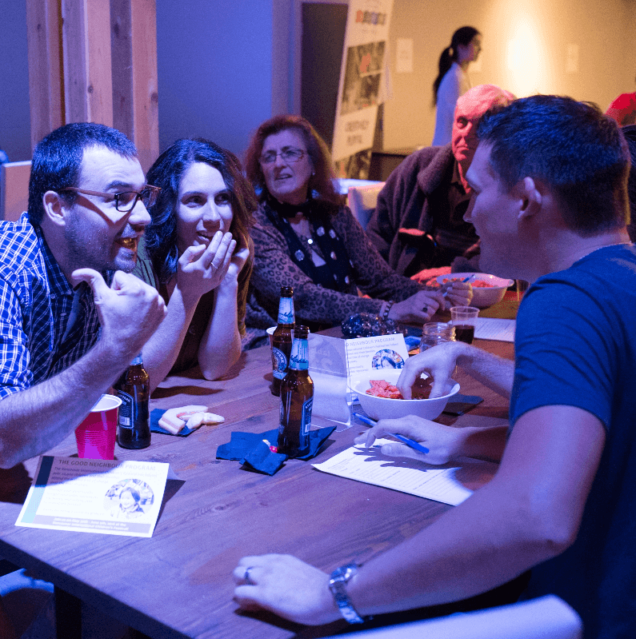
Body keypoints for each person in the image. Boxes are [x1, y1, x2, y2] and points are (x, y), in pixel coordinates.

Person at [233, 96, 634, 639]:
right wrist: (462, 440)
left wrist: (336, 592)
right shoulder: (619, 277)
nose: (468, 213)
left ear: (528, 198)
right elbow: (602, 424)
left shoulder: (564, 301)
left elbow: (534, 516)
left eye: (479, 190)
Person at [0, 121, 166, 638]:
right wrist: (115, 348)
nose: (140, 216)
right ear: (56, 207)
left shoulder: (101, 257)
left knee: (142, 575)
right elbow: (3, 440)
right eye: (119, 197)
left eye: (142, 196)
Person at [243, 116, 470, 348]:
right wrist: (389, 310)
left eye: (290, 153)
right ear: (261, 169)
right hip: (276, 351)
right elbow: (301, 298)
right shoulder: (255, 225)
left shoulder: (334, 213)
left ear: (312, 163)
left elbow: (380, 279)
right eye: (269, 157)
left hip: (339, 340)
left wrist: (437, 295)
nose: (278, 163)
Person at [134, 139, 256, 383]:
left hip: (196, 403)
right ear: (168, 207)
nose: (213, 217)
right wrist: (187, 293)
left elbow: (215, 368)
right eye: (195, 200)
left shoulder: (237, 251)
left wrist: (228, 279)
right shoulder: (137, 256)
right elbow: (140, 379)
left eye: (222, 199)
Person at [367, 84, 515, 278]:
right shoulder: (417, 167)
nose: (467, 133)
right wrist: (378, 287)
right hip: (406, 295)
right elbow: (376, 238)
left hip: (478, 300)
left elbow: (517, 257)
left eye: (481, 125)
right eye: (462, 122)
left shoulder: (516, 185)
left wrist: (455, 274)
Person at [432, 27, 482, 146]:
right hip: (446, 147)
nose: (480, 49)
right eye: (475, 43)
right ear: (461, 47)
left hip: (450, 146)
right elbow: (460, 117)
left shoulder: (460, 75)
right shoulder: (455, 78)